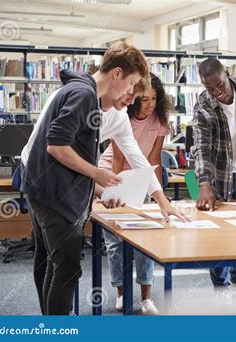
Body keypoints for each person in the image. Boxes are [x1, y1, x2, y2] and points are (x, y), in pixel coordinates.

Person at [20, 42, 149, 315]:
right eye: (131, 84)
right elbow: (56, 146)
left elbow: (69, 148)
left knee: (51, 263)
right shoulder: (83, 95)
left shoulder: (82, 91)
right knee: (67, 270)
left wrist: (99, 188)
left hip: (45, 189)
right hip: (55, 195)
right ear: (116, 73)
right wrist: (96, 173)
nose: (130, 92)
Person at [97, 73, 177, 314]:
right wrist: (115, 194)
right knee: (115, 240)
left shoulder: (160, 119)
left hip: (142, 177)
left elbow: (153, 160)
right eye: (144, 99)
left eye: (154, 98)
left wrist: (157, 194)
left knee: (145, 239)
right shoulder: (122, 117)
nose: (150, 104)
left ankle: (146, 297)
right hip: (113, 172)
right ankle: (121, 292)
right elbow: (119, 159)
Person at [191, 58, 236, 304]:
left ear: (228, 74)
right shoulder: (203, 103)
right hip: (219, 174)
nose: (216, 92)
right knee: (218, 235)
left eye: (219, 85)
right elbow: (201, 146)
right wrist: (204, 183)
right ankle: (220, 288)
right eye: (209, 87)